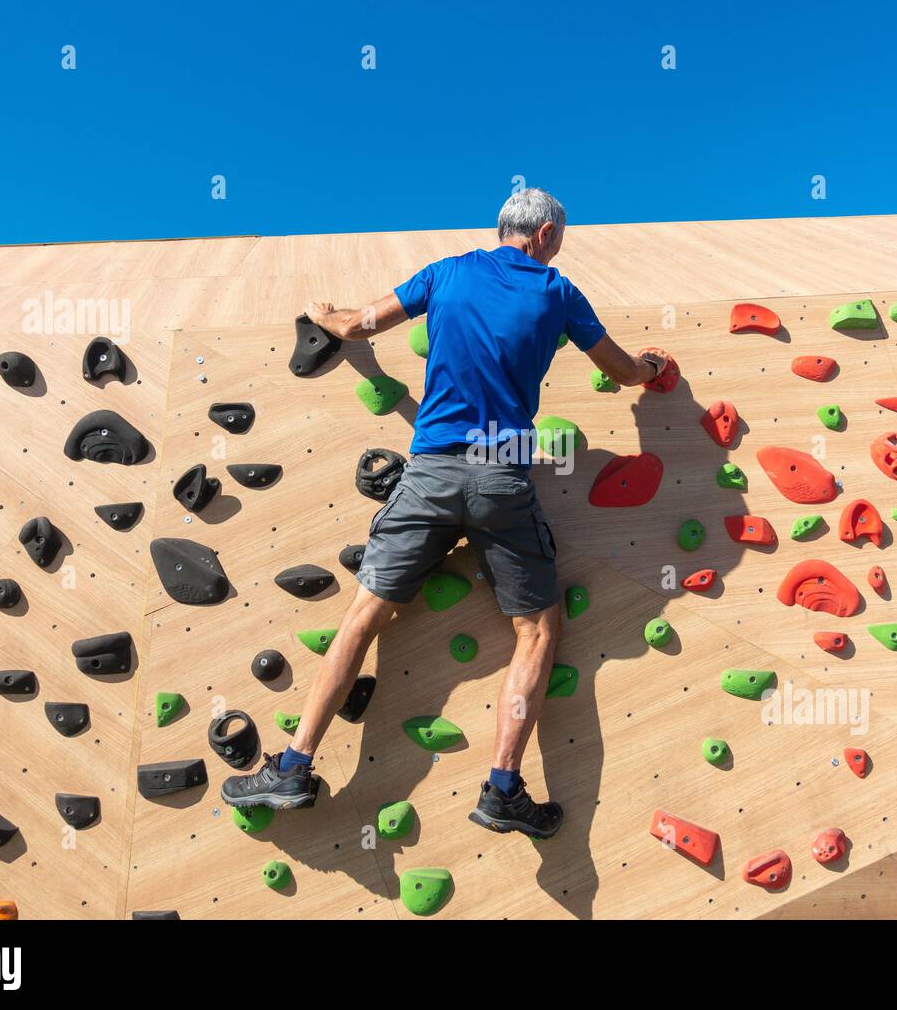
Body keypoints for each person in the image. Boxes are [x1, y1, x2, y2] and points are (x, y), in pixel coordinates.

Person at [221, 188, 668, 839]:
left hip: (430, 471)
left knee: (363, 616)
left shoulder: (449, 272)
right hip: (502, 477)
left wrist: (322, 312)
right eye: (559, 236)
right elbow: (622, 369)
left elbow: (358, 325)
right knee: (538, 633)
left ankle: (293, 765)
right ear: (544, 234)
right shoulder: (558, 293)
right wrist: (649, 369)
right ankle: (503, 787)